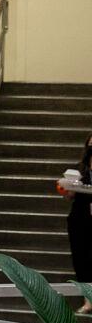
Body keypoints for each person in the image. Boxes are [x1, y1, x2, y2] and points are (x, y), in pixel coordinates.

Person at [65, 134, 92, 313]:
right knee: (81, 260)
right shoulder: (79, 169)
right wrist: (67, 187)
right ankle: (88, 300)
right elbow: (68, 194)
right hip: (80, 219)